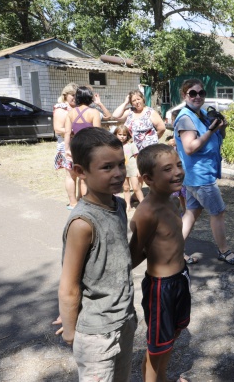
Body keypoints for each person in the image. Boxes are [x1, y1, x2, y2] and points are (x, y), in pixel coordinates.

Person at [56, 127, 137, 381]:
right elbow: (69, 285)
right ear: (81, 171)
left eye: (120, 165)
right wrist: (70, 329)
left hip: (124, 319)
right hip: (96, 335)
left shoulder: (119, 205)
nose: (118, 174)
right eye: (106, 168)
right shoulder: (83, 223)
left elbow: (117, 260)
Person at [129, 144, 191, 382]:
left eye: (178, 165)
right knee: (158, 346)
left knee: (168, 340)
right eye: (167, 169)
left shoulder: (173, 201)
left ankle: (160, 378)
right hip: (160, 288)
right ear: (148, 179)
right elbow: (134, 254)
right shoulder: (147, 212)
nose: (177, 172)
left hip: (179, 279)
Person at [174, 79, 234, 265]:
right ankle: (224, 251)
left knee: (191, 213)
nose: (198, 96)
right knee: (218, 212)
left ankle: (174, 252)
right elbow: (190, 147)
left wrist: (222, 127)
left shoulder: (202, 114)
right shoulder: (185, 118)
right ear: (184, 96)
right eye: (192, 93)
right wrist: (212, 130)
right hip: (200, 176)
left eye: (201, 93)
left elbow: (218, 136)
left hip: (196, 175)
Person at [53, 83, 80, 209]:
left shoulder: (79, 107)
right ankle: (73, 202)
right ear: (65, 95)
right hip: (66, 145)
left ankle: (82, 200)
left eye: (76, 95)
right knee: (71, 175)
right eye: (72, 95)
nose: (74, 97)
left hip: (80, 144)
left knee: (83, 175)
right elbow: (58, 129)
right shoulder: (61, 109)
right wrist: (73, 130)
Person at [114, 124, 145, 213]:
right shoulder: (114, 146)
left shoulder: (131, 144)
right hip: (122, 170)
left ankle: (143, 205)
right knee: (126, 188)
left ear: (127, 135)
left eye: (124, 135)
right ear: (116, 134)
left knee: (136, 188)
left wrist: (139, 169)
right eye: (120, 134)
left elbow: (136, 157)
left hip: (132, 169)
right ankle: (128, 205)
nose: (122, 137)